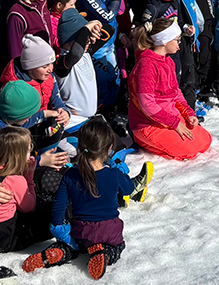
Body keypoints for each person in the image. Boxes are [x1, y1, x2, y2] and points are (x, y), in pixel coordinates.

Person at [23, 117, 146, 279]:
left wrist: (59, 227)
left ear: (80, 147)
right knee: (118, 245)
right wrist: (121, 171)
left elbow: (59, 206)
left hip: (80, 231)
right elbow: (129, 189)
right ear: (109, 149)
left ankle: (62, 250)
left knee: (72, 244)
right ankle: (106, 253)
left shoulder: (70, 175)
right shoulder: (114, 174)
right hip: (108, 230)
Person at [129, 11, 213, 160]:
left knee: (205, 140)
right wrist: (176, 124)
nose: (179, 45)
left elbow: (176, 93)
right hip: (148, 123)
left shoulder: (168, 61)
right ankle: (144, 142)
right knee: (189, 151)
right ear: (163, 41)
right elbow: (147, 104)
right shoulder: (146, 65)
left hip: (168, 118)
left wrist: (189, 113)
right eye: (177, 40)